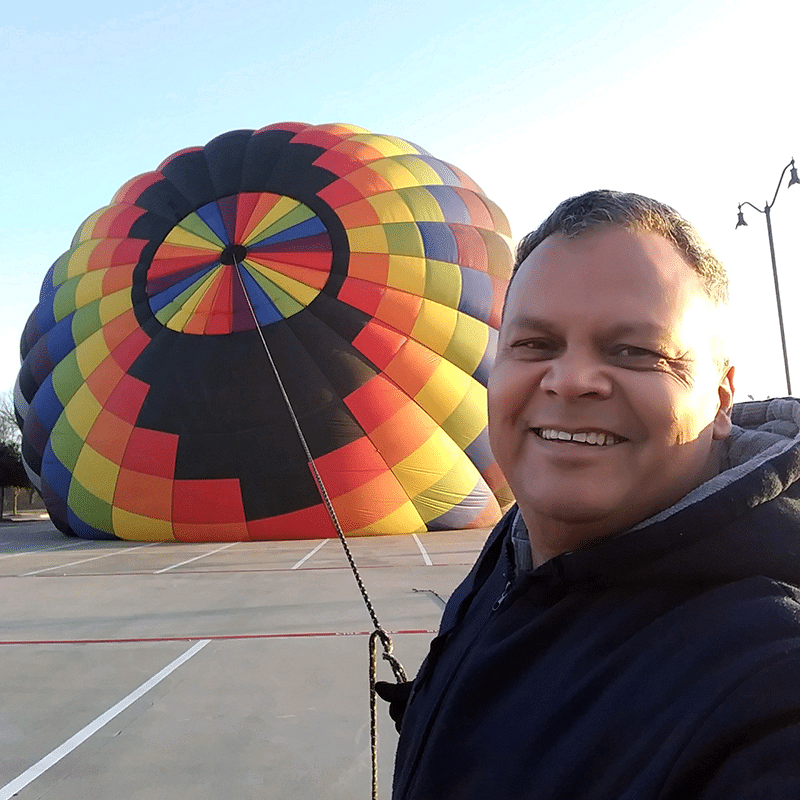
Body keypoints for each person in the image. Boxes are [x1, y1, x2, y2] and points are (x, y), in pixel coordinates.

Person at [378, 190, 800, 799]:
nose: (570, 381)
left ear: (723, 394)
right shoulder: (518, 545)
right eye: (535, 345)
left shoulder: (768, 676)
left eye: (636, 351)